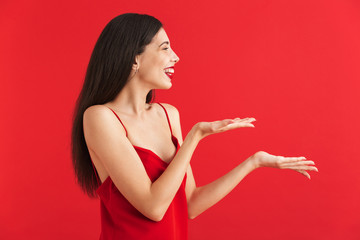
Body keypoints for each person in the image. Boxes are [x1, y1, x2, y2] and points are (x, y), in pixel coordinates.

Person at [71, 13, 318, 240]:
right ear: (134, 58)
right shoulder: (100, 117)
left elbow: (190, 204)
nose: (176, 57)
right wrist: (195, 136)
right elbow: (153, 207)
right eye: (165, 48)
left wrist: (253, 162)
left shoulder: (169, 115)